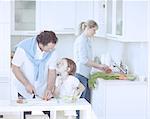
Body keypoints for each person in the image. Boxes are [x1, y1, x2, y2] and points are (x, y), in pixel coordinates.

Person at [11, 31, 58, 119]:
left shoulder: (52, 52)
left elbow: (52, 72)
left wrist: (49, 88)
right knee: (24, 115)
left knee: (48, 114)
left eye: (53, 48)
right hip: (23, 88)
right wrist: (27, 84)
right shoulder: (24, 48)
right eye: (49, 48)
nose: (51, 50)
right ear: (41, 44)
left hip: (42, 90)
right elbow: (15, 68)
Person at [73, 20, 110, 103]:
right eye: (94, 30)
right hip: (80, 74)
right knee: (82, 102)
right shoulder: (81, 40)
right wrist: (100, 66)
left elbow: (87, 60)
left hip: (84, 74)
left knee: (85, 102)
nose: (95, 33)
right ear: (88, 28)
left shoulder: (86, 40)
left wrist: (100, 67)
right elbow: (84, 60)